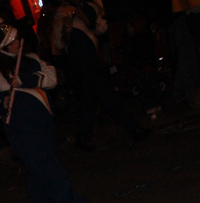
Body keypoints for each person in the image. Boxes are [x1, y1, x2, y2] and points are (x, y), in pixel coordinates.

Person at [0, 1, 96, 203]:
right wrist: (2, 106)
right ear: (1, 47)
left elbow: (52, 77)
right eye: (12, 41)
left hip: (43, 123)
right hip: (21, 131)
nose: (17, 42)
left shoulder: (31, 58)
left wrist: (28, 80)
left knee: (38, 171)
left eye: (15, 38)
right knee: (51, 172)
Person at [52, 0, 147, 149]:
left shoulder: (89, 4)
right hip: (79, 57)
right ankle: (133, 128)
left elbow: (101, 28)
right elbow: (58, 42)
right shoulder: (63, 10)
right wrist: (67, 29)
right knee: (105, 92)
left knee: (90, 96)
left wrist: (87, 19)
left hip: (91, 54)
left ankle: (82, 136)